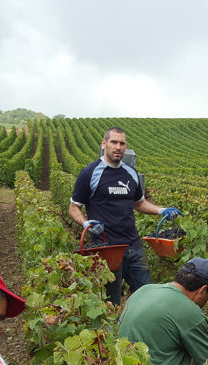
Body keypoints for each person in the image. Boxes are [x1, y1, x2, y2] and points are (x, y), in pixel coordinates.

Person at [68, 126, 182, 305]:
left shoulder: (131, 173)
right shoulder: (90, 173)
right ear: (104, 144)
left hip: (133, 245)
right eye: (114, 142)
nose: (118, 147)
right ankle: (112, 332)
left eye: (122, 143)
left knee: (146, 296)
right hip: (106, 249)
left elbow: (139, 203)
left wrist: (161, 210)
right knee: (110, 301)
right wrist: (85, 223)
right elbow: (74, 207)